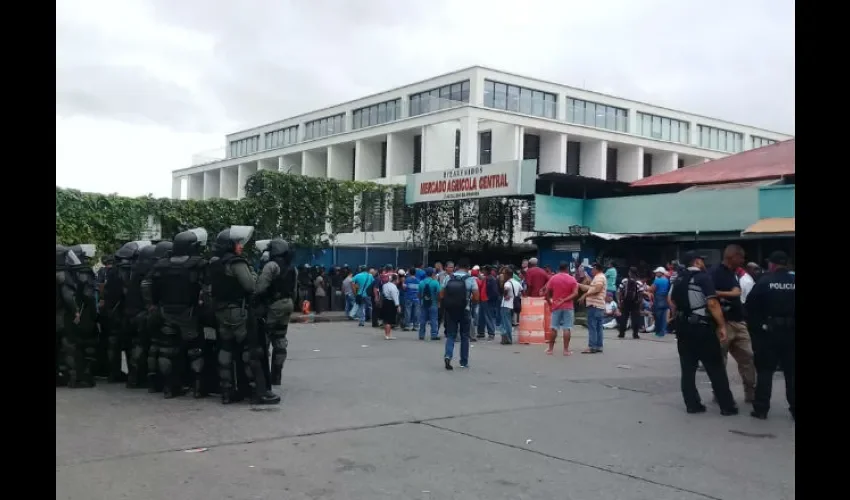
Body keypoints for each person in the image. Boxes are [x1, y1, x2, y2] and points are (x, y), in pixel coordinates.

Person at [207, 226, 279, 405]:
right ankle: (257, 391)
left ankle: (227, 391)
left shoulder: (215, 263)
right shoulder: (237, 263)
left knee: (226, 349)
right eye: (237, 243)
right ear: (230, 245)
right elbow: (251, 286)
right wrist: (254, 274)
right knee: (250, 351)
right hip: (238, 312)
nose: (240, 246)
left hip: (220, 312)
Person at [668, 251, 738, 416]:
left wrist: (678, 315)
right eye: (702, 261)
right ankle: (727, 406)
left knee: (687, 369)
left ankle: (692, 404)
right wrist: (721, 325)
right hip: (702, 328)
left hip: (683, 328)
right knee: (715, 368)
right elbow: (712, 303)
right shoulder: (702, 278)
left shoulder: (678, 279)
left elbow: (670, 300)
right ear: (697, 262)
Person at [149, 231, 206, 399]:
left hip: (167, 312)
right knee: (196, 350)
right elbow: (207, 288)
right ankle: (197, 388)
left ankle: (169, 387)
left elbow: (148, 285)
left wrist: (153, 304)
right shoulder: (199, 264)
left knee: (167, 351)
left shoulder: (162, 265)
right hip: (189, 314)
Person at [746, 251, 795, 420]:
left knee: (765, 372)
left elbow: (750, 309)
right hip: (791, 334)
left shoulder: (764, 282)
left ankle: (761, 409)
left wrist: (757, 331)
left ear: (772, 264)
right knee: (792, 372)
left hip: (769, 333)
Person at [710, 244, 756, 403]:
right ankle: (720, 393)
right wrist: (730, 293)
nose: (743, 260)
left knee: (748, 357)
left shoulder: (734, 273)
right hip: (724, 322)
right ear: (733, 256)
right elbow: (711, 295)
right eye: (741, 257)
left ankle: (751, 392)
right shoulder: (716, 273)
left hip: (738, 320)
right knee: (720, 360)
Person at [254, 239, 297, 387]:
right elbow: (294, 291)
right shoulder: (292, 268)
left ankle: (264, 375)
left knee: (263, 338)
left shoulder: (271, 266)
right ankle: (277, 375)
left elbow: (259, 288)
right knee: (280, 339)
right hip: (288, 304)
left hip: (273, 305)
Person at [124, 244, 157, 389]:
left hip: (130, 313)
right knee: (143, 345)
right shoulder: (149, 273)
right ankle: (140, 377)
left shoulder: (134, 270)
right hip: (142, 313)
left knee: (135, 344)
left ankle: (133, 376)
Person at [141, 240, 172, 393]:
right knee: (166, 348)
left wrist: (149, 305)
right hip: (164, 310)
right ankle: (166, 384)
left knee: (154, 346)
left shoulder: (153, 268)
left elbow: (145, 284)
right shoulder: (165, 267)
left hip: (154, 311)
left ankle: (153, 382)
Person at [441, 258, 479, 370]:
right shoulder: (471, 279)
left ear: (457, 266)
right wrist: (470, 300)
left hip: (451, 310)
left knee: (451, 335)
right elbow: (476, 297)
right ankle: (463, 361)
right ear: (468, 268)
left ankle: (448, 356)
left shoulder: (449, 277)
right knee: (464, 336)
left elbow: (441, 294)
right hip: (465, 310)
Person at [56, 245, 82, 387]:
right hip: (60, 315)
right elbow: (68, 296)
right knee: (69, 346)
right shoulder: (62, 275)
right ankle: (73, 378)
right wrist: (76, 311)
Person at [545, 261, 579, 356]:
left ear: (559, 268)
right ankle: (565, 350)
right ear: (567, 268)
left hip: (556, 306)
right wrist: (564, 300)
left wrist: (550, 303)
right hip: (568, 307)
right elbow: (575, 293)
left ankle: (550, 350)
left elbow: (546, 292)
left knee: (553, 327)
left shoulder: (553, 278)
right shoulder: (572, 279)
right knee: (567, 328)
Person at [578, 263, 607, 354]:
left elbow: (597, 289)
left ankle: (592, 347)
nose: (591, 271)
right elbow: (591, 288)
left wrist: (585, 295)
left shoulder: (599, 277)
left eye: (592, 269)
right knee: (598, 327)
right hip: (598, 305)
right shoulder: (599, 277)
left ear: (596, 269)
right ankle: (598, 346)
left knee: (592, 327)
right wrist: (578, 284)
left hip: (594, 305)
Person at [617, 267, 644, 340]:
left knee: (624, 317)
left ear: (629, 273)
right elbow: (641, 294)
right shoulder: (639, 282)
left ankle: (621, 333)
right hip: (635, 303)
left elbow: (620, 291)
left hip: (625, 302)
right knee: (635, 318)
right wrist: (640, 303)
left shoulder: (624, 281)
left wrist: (620, 301)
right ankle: (635, 334)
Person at [418, 267, 441, 341]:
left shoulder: (421, 283)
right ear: (432, 274)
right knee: (434, 320)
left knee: (422, 320)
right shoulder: (435, 283)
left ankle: (421, 335)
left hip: (423, 303)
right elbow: (439, 294)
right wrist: (438, 302)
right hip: (433, 303)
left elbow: (419, 294)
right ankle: (434, 335)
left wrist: (422, 299)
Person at [499, 267, 519, 345]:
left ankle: (508, 339)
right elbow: (521, 291)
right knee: (509, 321)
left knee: (505, 322)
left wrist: (505, 295)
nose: (503, 275)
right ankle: (507, 338)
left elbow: (506, 289)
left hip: (506, 304)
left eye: (504, 274)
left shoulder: (507, 283)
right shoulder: (517, 282)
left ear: (507, 275)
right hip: (513, 305)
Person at [475, 266, 496, 339]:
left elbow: (493, 291)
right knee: (481, 317)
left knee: (488, 317)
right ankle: (481, 332)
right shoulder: (486, 278)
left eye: (483, 270)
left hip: (487, 300)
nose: (482, 272)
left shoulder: (491, 279)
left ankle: (491, 333)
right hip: (483, 299)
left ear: (486, 271)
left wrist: (489, 299)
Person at [650, 267, 671, 338]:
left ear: (660, 273)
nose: (655, 273)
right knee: (664, 316)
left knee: (658, 315)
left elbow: (652, 289)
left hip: (658, 298)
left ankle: (658, 332)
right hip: (666, 298)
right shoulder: (667, 280)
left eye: (656, 272)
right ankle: (663, 331)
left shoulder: (657, 280)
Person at [380, 273, 401, 340]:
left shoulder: (385, 285)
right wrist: (398, 306)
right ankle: (388, 335)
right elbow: (395, 297)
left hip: (385, 301)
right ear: (395, 280)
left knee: (386, 319)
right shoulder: (393, 287)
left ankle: (386, 334)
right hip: (391, 303)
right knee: (389, 319)